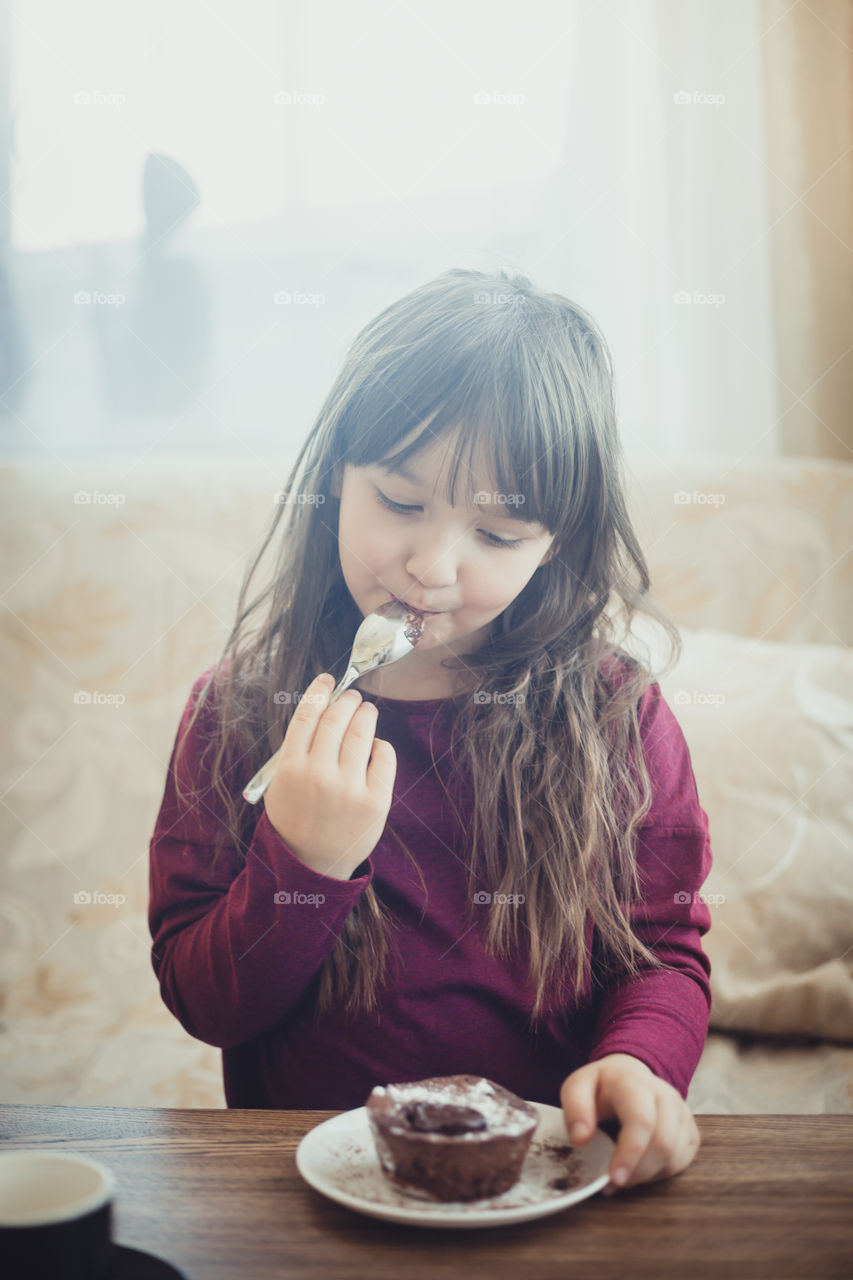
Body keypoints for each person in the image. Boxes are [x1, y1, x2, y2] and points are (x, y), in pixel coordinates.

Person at [148, 267, 713, 1195]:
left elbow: (660, 954)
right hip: (309, 1190)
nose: (432, 565)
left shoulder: (615, 714)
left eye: (497, 536)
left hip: (548, 1178)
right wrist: (303, 861)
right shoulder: (239, 709)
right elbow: (208, 1004)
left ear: (556, 542)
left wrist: (640, 1064)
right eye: (401, 504)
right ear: (338, 474)